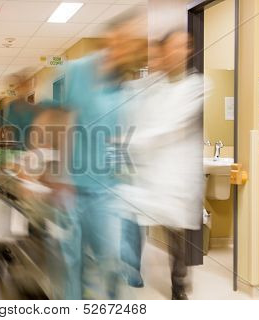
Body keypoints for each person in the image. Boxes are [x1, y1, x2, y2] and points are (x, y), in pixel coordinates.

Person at [59, 7, 148, 299]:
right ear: (110, 38)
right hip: (73, 187)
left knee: (110, 260)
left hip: (108, 190)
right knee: (73, 265)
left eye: (134, 43)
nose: (127, 48)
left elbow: (123, 140)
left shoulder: (127, 88)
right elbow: (64, 126)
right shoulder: (77, 72)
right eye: (124, 39)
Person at [115, 30, 205, 299]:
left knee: (175, 233)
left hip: (174, 176)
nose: (180, 51)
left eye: (184, 46)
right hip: (147, 172)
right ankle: (131, 269)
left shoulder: (196, 86)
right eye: (173, 47)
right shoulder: (153, 86)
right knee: (130, 216)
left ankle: (179, 286)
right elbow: (130, 101)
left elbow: (169, 127)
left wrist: (129, 141)